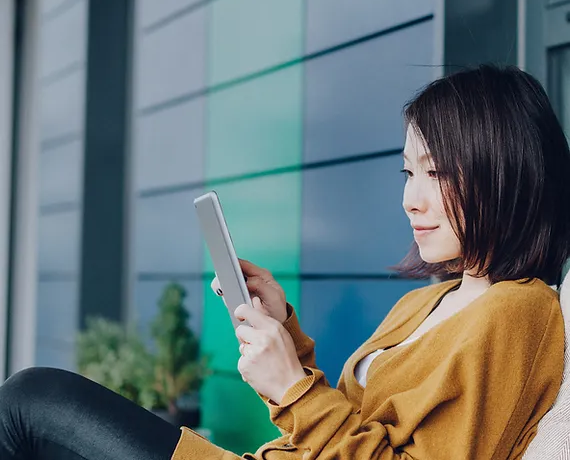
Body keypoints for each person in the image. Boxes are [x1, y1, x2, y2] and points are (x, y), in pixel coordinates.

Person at [1, 64, 569, 460]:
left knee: (31, 401)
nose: (409, 199)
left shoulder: (518, 312)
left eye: (436, 173)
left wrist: (293, 386)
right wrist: (287, 339)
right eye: (408, 172)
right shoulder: (429, 302)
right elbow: (344, 426)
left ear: (504, 170)